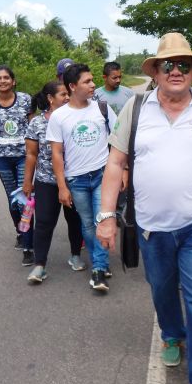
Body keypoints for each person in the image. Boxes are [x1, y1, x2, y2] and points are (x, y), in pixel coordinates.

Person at [96, 32, 192, 384]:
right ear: (156, 72)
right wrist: (106, 216)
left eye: (184, 65)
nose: (176, 71)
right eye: (168, 65)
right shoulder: (137, 109)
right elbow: (114, 164)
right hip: (151, 226)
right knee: (161, 287)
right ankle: (172, 334)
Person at [47, 63, 118, 292]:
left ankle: (98, 268)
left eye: (92, 80)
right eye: (87, 81)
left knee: (101, 220)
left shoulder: (102, 108)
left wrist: (123, 172)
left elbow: (118, 143)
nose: (93, 84)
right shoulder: (59, 117)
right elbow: (56, 154)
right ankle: (101, 261)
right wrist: (61, 187)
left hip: (102, 175)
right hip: (76, 180)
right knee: (87, 225)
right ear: (72, 86)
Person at [22, 81, 85, 283]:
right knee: (44, 223)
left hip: (73, 179)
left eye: (68, 94)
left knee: (75, 220)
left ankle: (75, 255)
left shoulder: (75, 119)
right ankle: (39, 265)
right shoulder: (37, 123)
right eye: (63, 94)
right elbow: (31, 154)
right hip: (46, 181)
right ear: (50, 98)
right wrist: (27, 181)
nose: (67, 97)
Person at [0, 64, 34, 266]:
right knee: (12, 201)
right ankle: (21, 232)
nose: (2, 81)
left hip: (24, 156)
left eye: (6, 78)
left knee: (25, 200)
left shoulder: (25, 100)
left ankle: (29, 247)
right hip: (3, 159)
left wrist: (36, 157)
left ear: (13, 81)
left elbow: (33, 129)